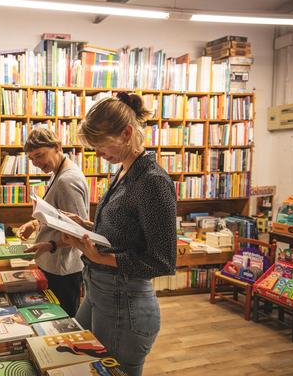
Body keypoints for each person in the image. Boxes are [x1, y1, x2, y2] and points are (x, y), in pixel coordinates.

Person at [31, 93, 177, 376]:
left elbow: (162, 261)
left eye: (100, 144)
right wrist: (84, 224)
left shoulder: (152, 181)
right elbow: (120, 235)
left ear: (126, 133)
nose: (96, 153)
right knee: (81, 361)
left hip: (125, 301)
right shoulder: (124, 171)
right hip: (100, 290)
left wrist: (99, 257)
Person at [17, 128, 89, 316]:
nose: (37, 163)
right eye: (32, 159)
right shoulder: (57, 172)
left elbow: (79, 231)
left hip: (63, 269)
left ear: (57, 147)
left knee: (63, 322)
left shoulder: (67, 180)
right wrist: (34, 224)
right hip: (55, 265)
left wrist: (50, 245)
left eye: (40, 155)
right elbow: (58, 215)